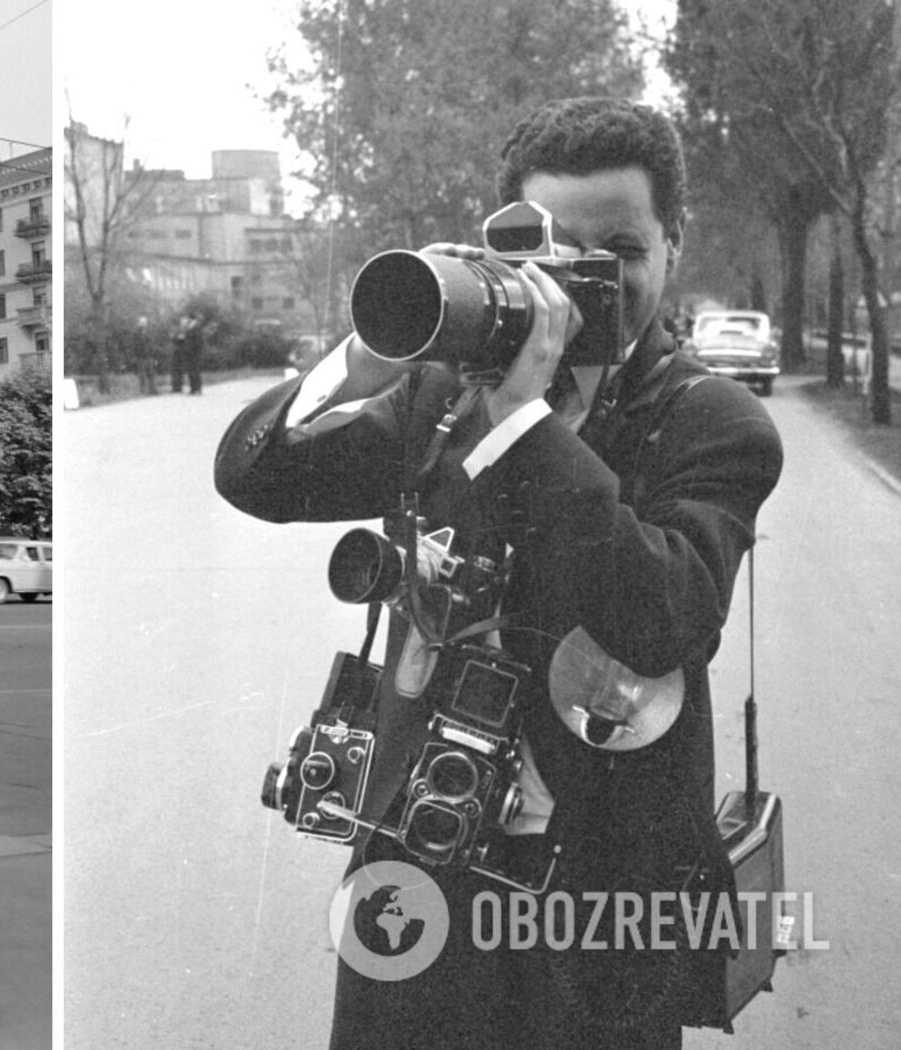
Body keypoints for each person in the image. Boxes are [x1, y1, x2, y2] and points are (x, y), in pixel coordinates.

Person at [213, 97, 782, 1050]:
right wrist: (373, 354)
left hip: (599, 901)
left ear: (674, 244)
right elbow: (255, 477)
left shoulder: (711, 420)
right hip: (418, 860)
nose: (587, 281)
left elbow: (665, 618)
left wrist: (523, 423)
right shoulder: (441, 397)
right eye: (555, 252)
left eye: (621, 251)